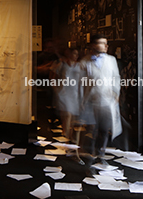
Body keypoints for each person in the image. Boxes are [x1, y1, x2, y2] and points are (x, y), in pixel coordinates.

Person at [80, 34, 122, 165]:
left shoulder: (111, 60)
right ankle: (89, 156)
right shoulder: (85, 62)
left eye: (106, 43)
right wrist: (81, 100)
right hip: (91, 102)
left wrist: (116, 93)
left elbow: (116, 77)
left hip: (106, 101)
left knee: (104, 130)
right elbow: (80, 83)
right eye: (102, 43)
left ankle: (100, 156)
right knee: (91, 130)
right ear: (93, 45)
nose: (106, 46)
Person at [51, 47, 82, 140]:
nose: (75, 56)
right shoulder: (62, 64)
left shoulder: (79, 65)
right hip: (64, 91)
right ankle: (66, 132)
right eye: (74, 54)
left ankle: (70, 131)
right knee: (67, 113)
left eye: (77, 54)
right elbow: (53, 77)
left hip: (75, 91)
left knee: (72, 114)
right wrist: (56, 89)